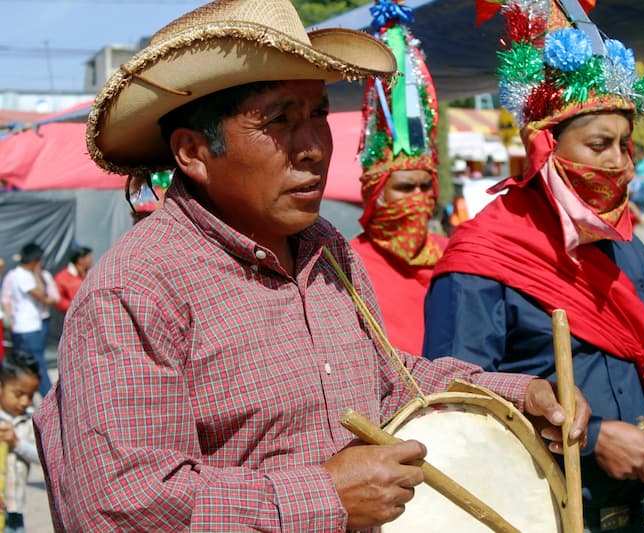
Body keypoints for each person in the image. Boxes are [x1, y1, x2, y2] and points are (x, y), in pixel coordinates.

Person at [32, 1, 590, 530]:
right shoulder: (137, 288)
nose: (314, 147)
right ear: (193, 153)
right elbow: (116, 508)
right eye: (278, 119)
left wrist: (515, 394)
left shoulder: (326, 249)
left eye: (318, 113)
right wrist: (325, 495)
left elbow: (387, 381)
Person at [423, 1, 644, 531]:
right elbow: (455, 403)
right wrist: (592, 439)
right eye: (598, 144)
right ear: (546, 148)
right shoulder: (480, 260)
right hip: (545, 517)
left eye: (624, 145)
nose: (619, 163)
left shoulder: (627, 248)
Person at [349, 2, 446, 354]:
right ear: (376, 195)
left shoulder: (450, 256)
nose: (418, 198)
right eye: (405, 188)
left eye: (426, 187)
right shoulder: (347, 265)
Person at [3, 244, 54, 398]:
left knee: (27, 364)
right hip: (28, 328)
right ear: (34, 260)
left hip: (25, 327)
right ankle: (49, 397)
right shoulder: (22, 275)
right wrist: (38, 273)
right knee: (37, 365)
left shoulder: (19, 274)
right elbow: (41, 295)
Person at [0, 350, 41, 533]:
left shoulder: (28, 421)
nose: (25, 401)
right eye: (18, 394)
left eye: (31, 395)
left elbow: (39, 456)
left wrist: (16, 443)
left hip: (15, 506)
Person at [53, 246, 93, 315]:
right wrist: (75, 308)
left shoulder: (90, 274)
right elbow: (59, 300)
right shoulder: (63, 277)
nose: (92, 260)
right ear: (80, 260)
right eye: (89, 257)